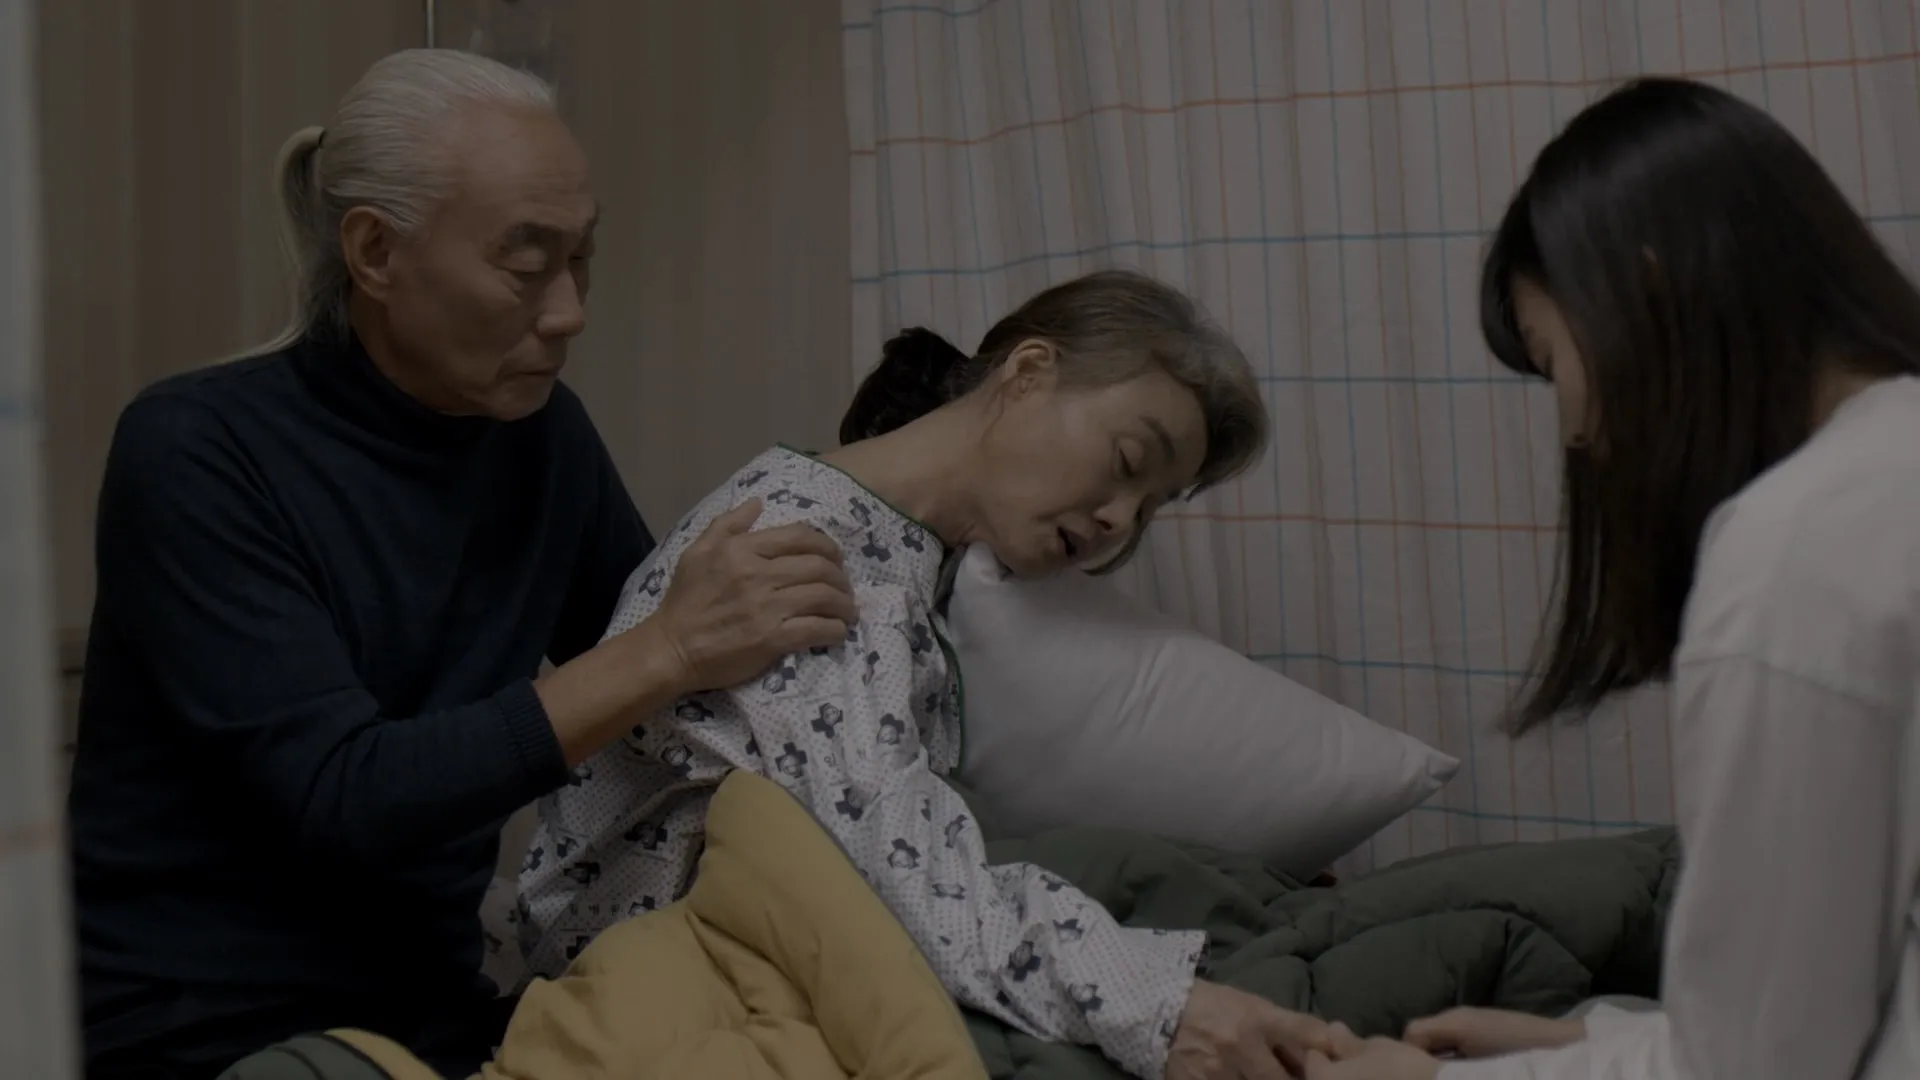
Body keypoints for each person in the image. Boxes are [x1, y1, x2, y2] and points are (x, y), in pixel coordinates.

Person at [68, 49, 859, 1080]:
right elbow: (346, 795)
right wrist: (671, 646)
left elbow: (681, 709)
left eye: (582, 259)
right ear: (374, 252)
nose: (568, 311)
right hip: (206, 1037)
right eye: (526, 267)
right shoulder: (197, 450)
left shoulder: (542, 439)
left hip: (433, 1019)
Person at [515, 268, 1335, 1080]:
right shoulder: (808, 549)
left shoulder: (907, 558)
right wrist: (1157, 1009)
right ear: (1028, 372)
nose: (1121, 519)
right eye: (1127, 461)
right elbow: (900, 870)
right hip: (664, 973)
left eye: (1150, 507)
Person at [1303, 77, 1920, 1080]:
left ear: (1650, 291)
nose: (1578, 431)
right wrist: (1586, 1042)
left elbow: (1758, 1067)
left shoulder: (1801, 550)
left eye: (1555, 364)